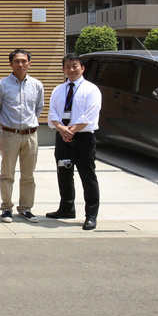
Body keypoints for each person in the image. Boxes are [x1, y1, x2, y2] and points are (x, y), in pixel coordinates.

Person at [46, 54, 102, 231]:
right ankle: (66, 208)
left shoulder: (91, 89)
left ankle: (91, 215)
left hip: (83, 137)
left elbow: (90, 115)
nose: (71, 70)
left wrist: (72, 130)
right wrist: (62, 129)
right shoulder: (58, 90)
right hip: (63, 137)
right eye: (67, 67)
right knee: (64, 173)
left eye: (74, 66)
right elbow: (52, 112)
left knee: (87, 175)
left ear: (82, 68)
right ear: (63, 69)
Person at [0, 48, 44, 224]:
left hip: (31, 136)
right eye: (17, 61)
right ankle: (6, 208)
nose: (21, 64)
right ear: (11, 64)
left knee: (28, 175)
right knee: (7, 174)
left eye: (24, 61)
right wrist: (5, 129)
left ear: (29, 63)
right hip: (10, 135)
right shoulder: (2, 85)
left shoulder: (37, 85)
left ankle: (26, 208)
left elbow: (38, 108)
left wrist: (29, 125)